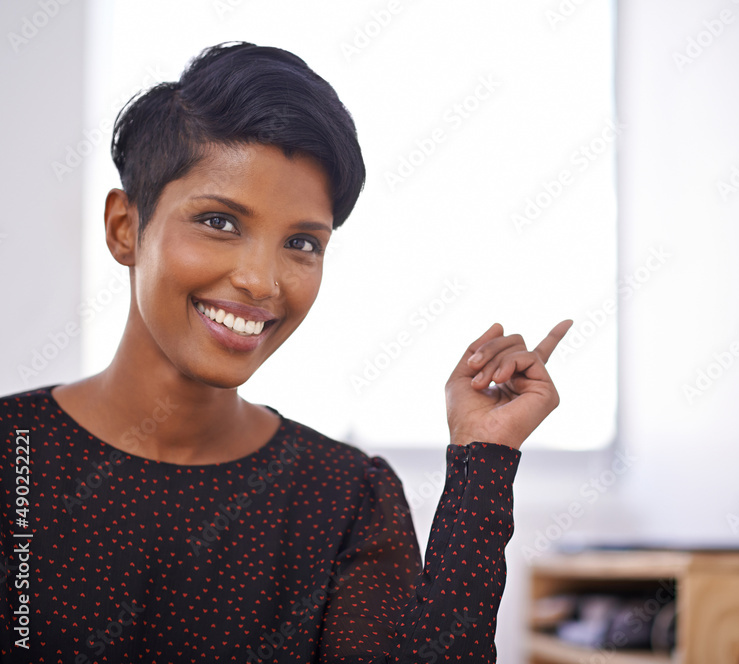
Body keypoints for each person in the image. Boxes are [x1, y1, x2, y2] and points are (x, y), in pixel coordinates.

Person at [0, 42, 571, 662]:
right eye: (219, 222)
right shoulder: (13, 454)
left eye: (302, 242)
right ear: (124, 228)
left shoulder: (349, 498)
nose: (261, 281)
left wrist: (482, 461)